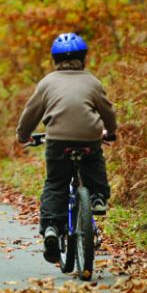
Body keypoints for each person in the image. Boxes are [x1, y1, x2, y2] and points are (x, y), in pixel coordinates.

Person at [16, 32, 117, 263]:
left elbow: (31, 114)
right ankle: (98, 198)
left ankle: (51, 227)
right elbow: (107, 111)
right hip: (89, 137)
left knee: (56, 182)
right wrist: (110, 132)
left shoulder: (47, 83)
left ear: (55, 60)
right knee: (93, 163)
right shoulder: (92, 82)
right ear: (84, 59)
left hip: (57, 140)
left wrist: (23, 136)